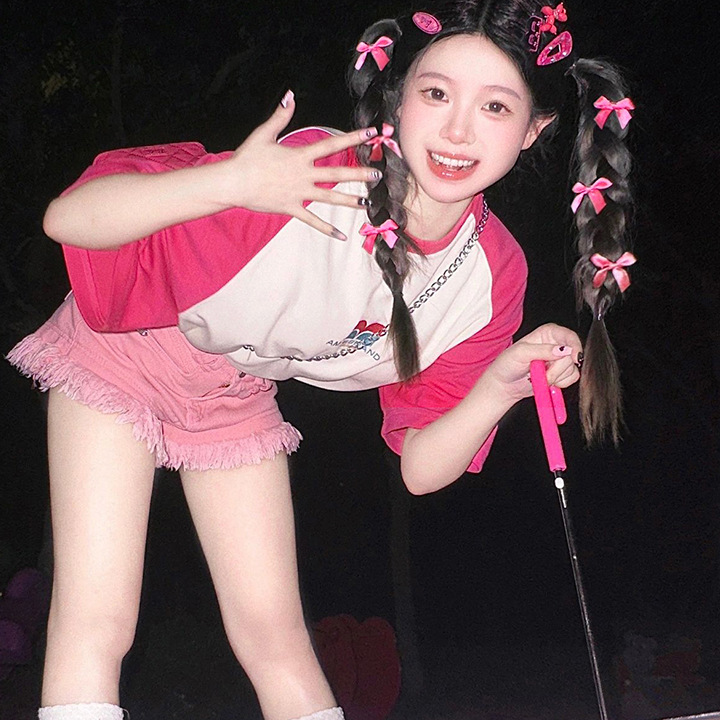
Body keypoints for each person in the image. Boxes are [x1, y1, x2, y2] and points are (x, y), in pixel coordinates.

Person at [8, 1, 636, 719]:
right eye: (436, 94)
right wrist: (231, 183)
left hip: (236, 390)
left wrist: (499, 385)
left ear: (534, 129)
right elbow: (68, 219)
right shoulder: (318, 172)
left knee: (278, 640)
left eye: (495, 106)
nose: (458, 130)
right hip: (127, 348)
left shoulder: (490, 275)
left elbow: (421, 467)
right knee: (99, 617)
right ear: (398, 98)